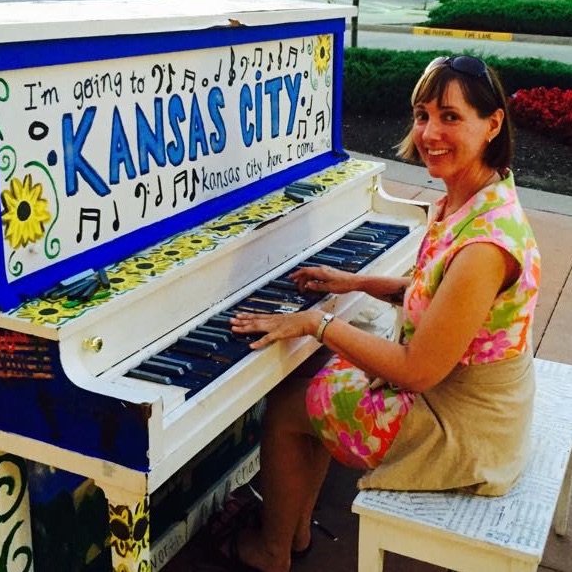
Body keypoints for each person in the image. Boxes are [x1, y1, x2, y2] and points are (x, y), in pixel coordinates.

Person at [225, 55, 541, 572]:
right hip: (470, 397)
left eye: (450, 116)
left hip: (461, 428)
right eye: (422, 115)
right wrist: (356, 283)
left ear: (493, 124)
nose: (429, 132)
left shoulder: (486, 246)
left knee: (285, 410)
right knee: (322, 378)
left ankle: (271, 550)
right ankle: (297, 530)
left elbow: (416, 368)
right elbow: (440, 297)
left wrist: (317, 323)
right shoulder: (477, 196)